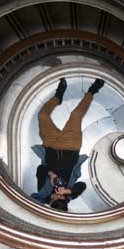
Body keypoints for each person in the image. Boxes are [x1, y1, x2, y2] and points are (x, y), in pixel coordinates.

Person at [29, 77, 104, 211]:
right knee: (75, 115)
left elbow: (40, 170)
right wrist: (67, 191)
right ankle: (92, 91)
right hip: (71, 146)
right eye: (59, 198)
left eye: (52, 199)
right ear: (64, 200)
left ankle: (58, 97)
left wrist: (51, 175)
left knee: (42, 115)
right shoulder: (71, 193)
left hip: (50, 145)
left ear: (50, 202)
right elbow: (82, 185)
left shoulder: (43, 191)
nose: (55, 195)